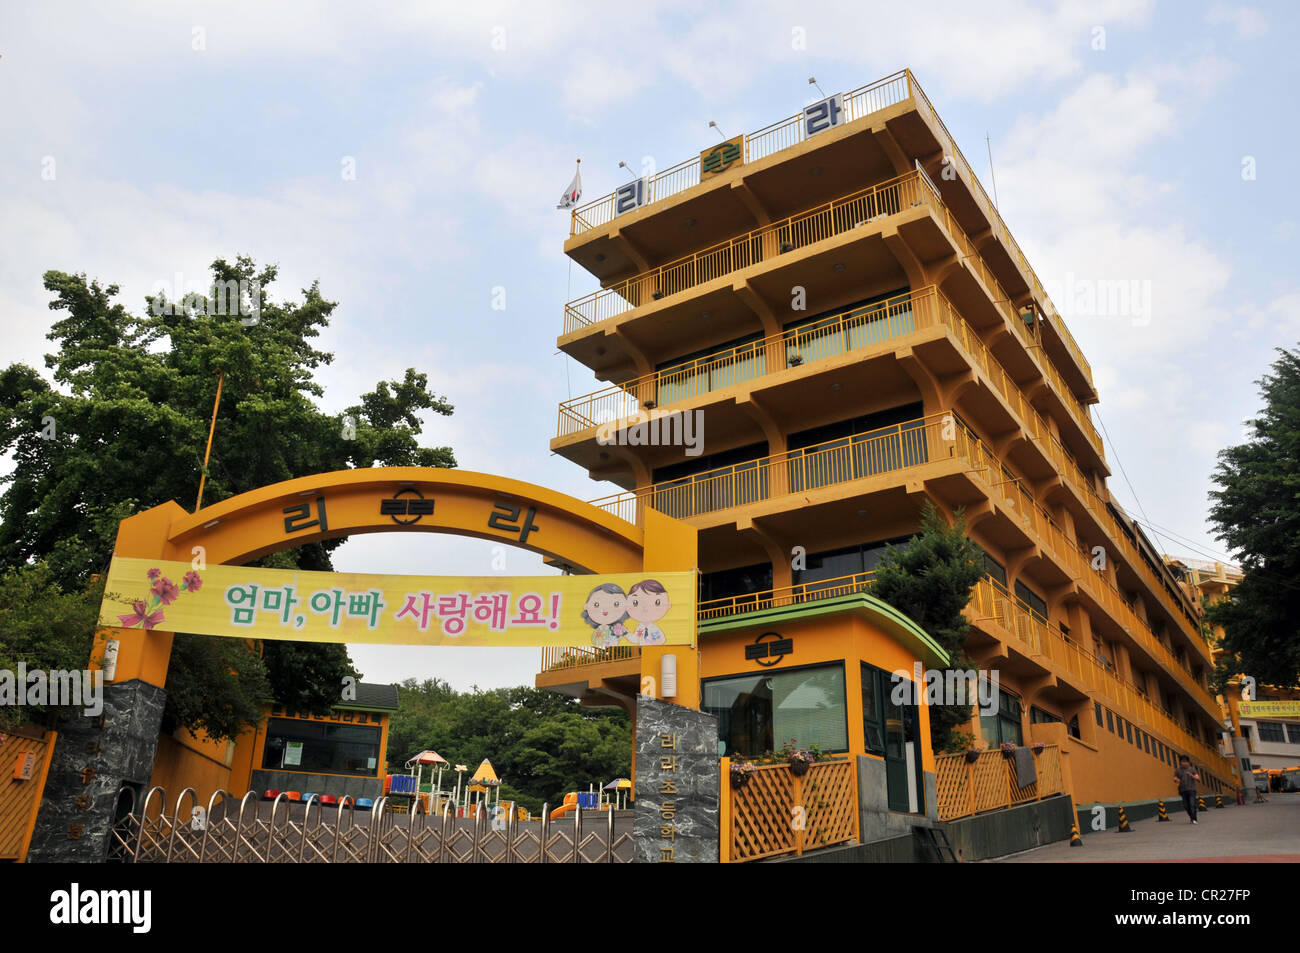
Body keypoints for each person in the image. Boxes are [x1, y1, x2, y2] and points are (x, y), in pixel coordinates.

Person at [1173, 755, 1200, 823]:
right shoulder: (1178, 770)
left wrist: (1192, 775)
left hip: (1191, 790)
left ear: (1188, 762)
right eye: (1182, 762)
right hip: (1183, 790)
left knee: (1192, 804)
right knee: (1186, 806)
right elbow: (1174, 778)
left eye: (1185, 762)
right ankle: (1192, 817)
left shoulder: (1192, 769)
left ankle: (1194, 819)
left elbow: (1198, 779)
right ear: (1180, 762)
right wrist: (1176, 779)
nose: (1184, 763)